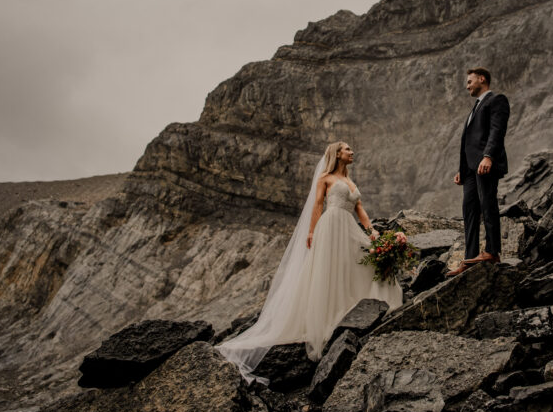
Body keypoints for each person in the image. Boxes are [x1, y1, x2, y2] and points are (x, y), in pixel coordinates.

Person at [215, 141, 403, 384]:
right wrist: (312, 232)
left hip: (348, 227)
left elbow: (360, 209)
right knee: (331, 269)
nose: (352, 152)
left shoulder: (351, 182)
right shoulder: (325, 178)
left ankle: (359, 310)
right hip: (331, 226)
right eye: (347, 149)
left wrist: (372, 231)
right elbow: (316, 205)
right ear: (337, 154)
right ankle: (329, 318)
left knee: (361, 262)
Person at [447, 67, 510, 277]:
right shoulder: (474, 109)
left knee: (487, 203)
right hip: (470, 171)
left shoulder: (496, 100)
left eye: (469, 81)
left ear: (482, 79)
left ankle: (492, 251)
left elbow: (497, 131)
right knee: (469, 211)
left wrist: (489, 156)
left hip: (485, 164)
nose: (467, 86)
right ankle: (470, 257)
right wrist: (462, 170)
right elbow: (468, 142)